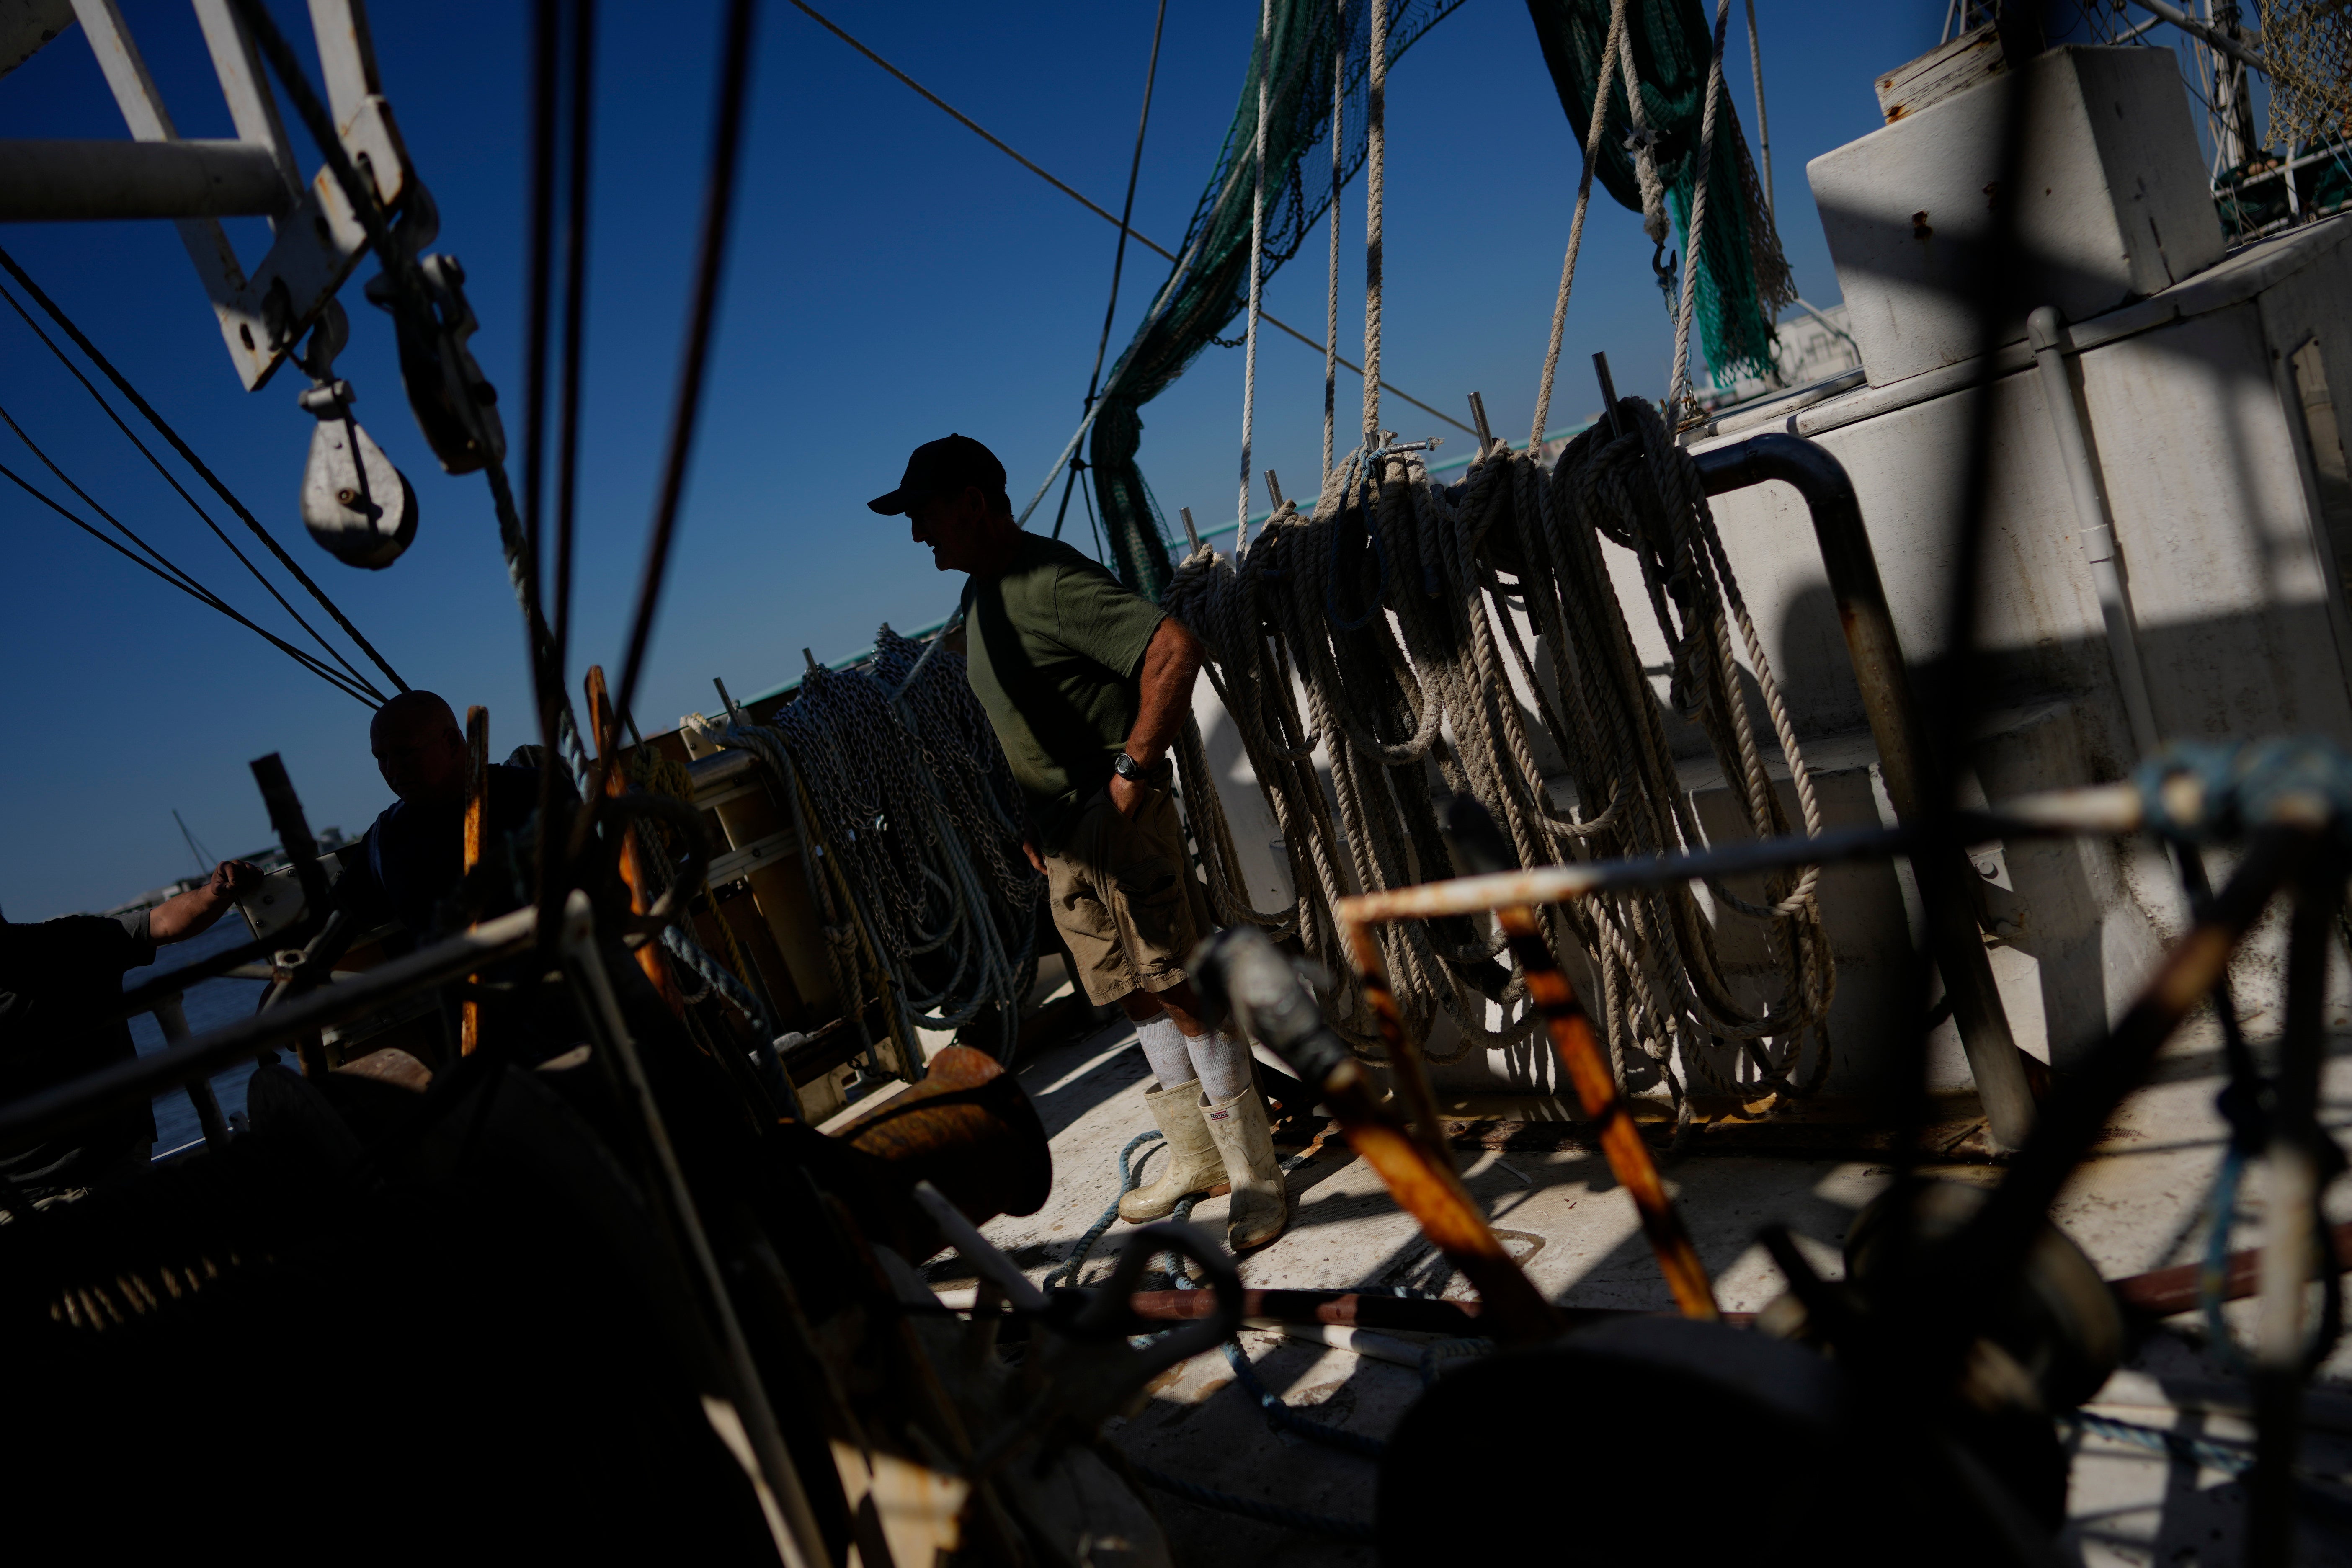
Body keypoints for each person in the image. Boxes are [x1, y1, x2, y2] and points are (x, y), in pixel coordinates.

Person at [869, 434, 1287, 1251]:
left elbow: (1173, 649)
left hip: (1109, 818)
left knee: (1175, 980)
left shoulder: (1045, 580)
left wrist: (1131, 774)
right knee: (1128, 988)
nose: (919, 533)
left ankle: (1256, 1175)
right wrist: (1031, 822)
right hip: (1059, 832)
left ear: (972, 502)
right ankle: (1195, 1158)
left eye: (924, 512)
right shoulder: (980, 604)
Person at [0, 858, 261, 1196]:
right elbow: (164, 924)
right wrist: (214, 894)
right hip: (64, 1188)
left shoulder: (67, 943)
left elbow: (163, 923)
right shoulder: (68, 941)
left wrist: (215, 893)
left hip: (95, 1177)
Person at [336, 690, 547, 941]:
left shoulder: (535, 794)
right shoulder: (385, 837)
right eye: (382, 758)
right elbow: (339, 923)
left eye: (404, 752)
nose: (392, 770)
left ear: (451, 743)